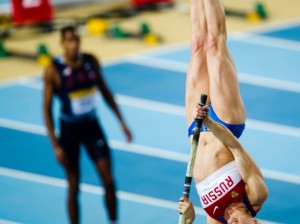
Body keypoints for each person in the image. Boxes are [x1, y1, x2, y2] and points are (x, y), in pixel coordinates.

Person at [177, 0, 268, 223]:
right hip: (225, 123)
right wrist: (209, 121)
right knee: (213, 44)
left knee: (198, 43)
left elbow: (190, 219)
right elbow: (235, 148)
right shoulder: (256, 195)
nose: (233, 222)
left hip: (195, 130)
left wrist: (189, 217)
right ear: (255, 222)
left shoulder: (217, 220)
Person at [43, 26, 132, 224]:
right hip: (69, 130)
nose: (74, 44)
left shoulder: (91, 62)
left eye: (76, 40)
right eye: (69, 41)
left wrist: (122, 122)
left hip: (92, 126)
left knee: (108, 180)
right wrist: (56, 145)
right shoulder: (53, 71)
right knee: (74, 185)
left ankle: (113, 221)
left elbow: (105, 92)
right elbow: (46, 110)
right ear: (62, 43)